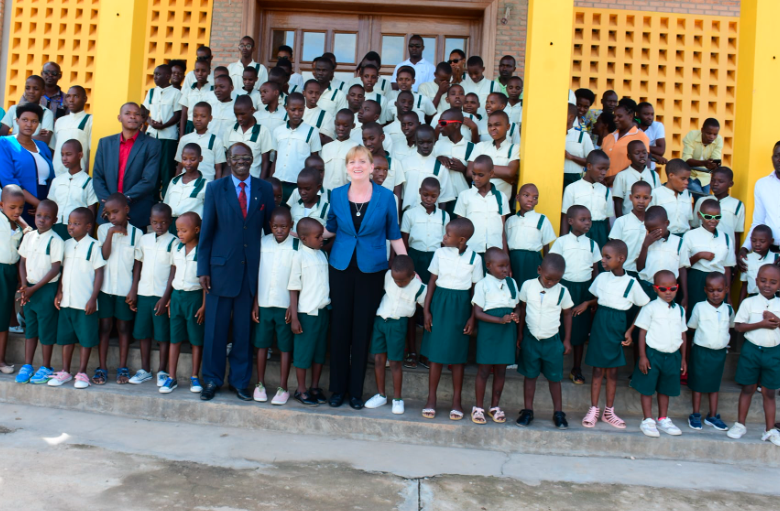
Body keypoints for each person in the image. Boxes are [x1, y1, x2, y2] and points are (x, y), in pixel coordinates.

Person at [324, 145, 407, 409]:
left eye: (362, 161)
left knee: (362, 330)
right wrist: (301, 236)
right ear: (347, 167)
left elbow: (393, 233)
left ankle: (356, 392)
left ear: (372, 167)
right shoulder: (336, 195)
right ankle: (337, 390)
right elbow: (330, 230)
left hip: (371, 270)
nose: (357, 166)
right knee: (339, 329)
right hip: (340, 266)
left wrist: (406, 263)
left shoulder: (386, 198)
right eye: (352, 162)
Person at [198, 142, 276, 401]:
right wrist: (203, 268)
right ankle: (211, 379)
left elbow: (268, 231)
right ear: (228, 160)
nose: (242, 161)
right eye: (237, 157)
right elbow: (206, 231)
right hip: (219, 270)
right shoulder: (215, 188)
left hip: (250, 272)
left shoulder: (264, 189)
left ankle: (240, 382)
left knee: (243, 331)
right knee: (215, 330)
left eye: (247, 157)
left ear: (253, 159)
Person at [579, 239, 650, 429]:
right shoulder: (602, 278)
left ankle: (609, 411)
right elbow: (599, 299)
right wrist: (587, 303)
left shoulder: (632, 283)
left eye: (607, 257)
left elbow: (644, 306)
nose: (603, 260)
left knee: (612, 372)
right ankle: (593, 408)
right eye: (603, 256)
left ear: (621, 259)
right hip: (600, 324)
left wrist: (630, 330)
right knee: (597, 370)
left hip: (618, 326)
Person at [421, 218, 481, 420]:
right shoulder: (439, 253)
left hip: (461, 306)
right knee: (435, 355)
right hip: (440, 304)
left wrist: (473, 318)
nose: (444, 237)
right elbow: (432, 282)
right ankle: (431, 399)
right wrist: (426, 311)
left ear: (461, 239)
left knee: (458, 357)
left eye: (448, 235)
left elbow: (476, 290)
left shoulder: (475, 258)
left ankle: (457, 401)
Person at [48, 208, 105, 388]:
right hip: (67, 301)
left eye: (76, 224)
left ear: (88, 226)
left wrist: (93, 298)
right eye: (70, 223)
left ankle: (81, 373)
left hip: (84, 302)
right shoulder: (66, 244)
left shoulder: (94, 246)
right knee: (66, 338)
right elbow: (63, 271)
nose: (71, 227)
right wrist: (59, 292)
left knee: (86, 339)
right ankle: (65, 371)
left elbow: (99, 273)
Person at [516, 253, 574, 429]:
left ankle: (558, 412)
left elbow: (567, 313)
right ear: (539, 270)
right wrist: (520, 335)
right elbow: (523, 309)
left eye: (556, 280)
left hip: (552, 342)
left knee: (555, 379)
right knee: (530, 377)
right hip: (531, 339)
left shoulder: (562, 291)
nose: (551, 283)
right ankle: (527, 411)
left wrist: (567, 339)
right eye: (548, 278)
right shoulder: (528, 286)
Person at [364, 256, 426, 414]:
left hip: (398, 325)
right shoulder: (388, 276)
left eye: (402, 281)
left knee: (395, 362)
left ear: (412, 276)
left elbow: (425, 305)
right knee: (378, 359)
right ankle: (381, 394)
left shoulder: (419, 288)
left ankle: (397, 399)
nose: (398, 283)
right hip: (380, 321)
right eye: (395, 280)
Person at [630, 270, 688, 438]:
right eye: (663, 289)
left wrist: (683, 358)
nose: (668, 292)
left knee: (665, 389)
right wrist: (643, 356)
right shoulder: (650, 308)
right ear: (655, 289)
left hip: (672, 356)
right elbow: (642, 332)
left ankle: (663, 418)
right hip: (653, 354)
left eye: (672, 288)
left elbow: (683, 333)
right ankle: (647, 419)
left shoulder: (680, 311)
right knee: (647, 388)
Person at [728, 264, 780, 446]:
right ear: (756, 281)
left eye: (773, 282)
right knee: (747, 389)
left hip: (774, 352)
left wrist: (777, 321)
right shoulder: (748, 303)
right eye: (763, 280)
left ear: (779, 285)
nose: (767, 285)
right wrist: (762, 324)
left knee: (770, 392)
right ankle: (740, 424)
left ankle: (770, 430)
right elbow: (739, 327)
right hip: (751, 350)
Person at [93, 194, 142, 385]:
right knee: (104, 328)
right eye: (108, 213)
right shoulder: (103, 230)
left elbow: (137, 265)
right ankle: (102, 367)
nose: (112, 216)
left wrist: (134, 289)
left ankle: (123, 367)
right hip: (105, 289)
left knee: (123, 328)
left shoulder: (137, 234)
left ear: (126, 210)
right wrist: (112, 234)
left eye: (116, 212)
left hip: (125, 289)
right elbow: (104, 256)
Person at [127, 203, 177, 386]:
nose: (159, 225)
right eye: (155, 222)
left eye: (163, 222)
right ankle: (145, 369)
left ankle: (162, 371)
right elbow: (138, 264)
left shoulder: (174, 242)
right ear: (150, 221)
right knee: (143, 333)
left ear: (170, 222)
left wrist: (166, 297)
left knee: (163, 335)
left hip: (161, 295)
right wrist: (134, 289)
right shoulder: (144, 239)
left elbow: (174, 270)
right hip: (144, 292)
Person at [550, 205, 601, 385]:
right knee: (558, 327)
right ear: (570, 221)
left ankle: (576, 368)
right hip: (564, 288)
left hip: (584, 290)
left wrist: (593, 294)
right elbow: (554, 265)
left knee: (579, 330)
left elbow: (595, 270)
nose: (587, 223)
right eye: (583, 219)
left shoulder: (592, 244)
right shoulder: (561, 242)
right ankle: (554, 367)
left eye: (589, 219)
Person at [14, 200, 63, 384]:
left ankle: (46, 366)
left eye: (47, 217)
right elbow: (22, 262)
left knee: (46, 329)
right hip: (30, 288)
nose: (42, 220)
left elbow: (54, 270)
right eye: (39, 215)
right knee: (30, 328)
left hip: (45, 290)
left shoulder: (56, 241)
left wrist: (33, 289)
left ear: (55, 219)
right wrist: (25, 285)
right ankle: (27, 365)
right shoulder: (29, 236)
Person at [92, 102, 161, 231]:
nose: (133, 117)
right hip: (107, 213)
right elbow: (97, 177)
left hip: (136, 211)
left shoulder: (152, 145)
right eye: (128, 113)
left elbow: (149, 180)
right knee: (106, 250)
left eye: (137, 114)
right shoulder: (105, 143)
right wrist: (110, 206)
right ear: (119, 118)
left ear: (142, 119)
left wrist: (122, 202)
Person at [471, 248, 520, 425]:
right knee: (484, 370)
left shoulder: (512, 283)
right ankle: (478, 407)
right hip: (489, 330)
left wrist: (516, 315)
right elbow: (477, 313)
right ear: (489, 266)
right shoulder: (483, 284)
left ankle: (494, 406)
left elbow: (517, 306)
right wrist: (500, 319)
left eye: (507, 266)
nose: (505, 269)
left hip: (507, 331)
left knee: (501, 370)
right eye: (501, 266)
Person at [252, 207, 296, 405]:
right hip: (263, 303)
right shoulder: (262, 243)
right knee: (261, 345)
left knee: (285, 347)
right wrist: (255, 302)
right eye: (276, 226)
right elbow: (255, 274)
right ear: (270, 226)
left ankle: (283, 387)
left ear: (291, 226)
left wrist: (293, 307)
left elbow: (298, 278)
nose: (279, 230)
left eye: (284, 226)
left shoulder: (297, 246)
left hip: (285, 305)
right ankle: (260, 383)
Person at [159, 213, 205, 394]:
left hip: (195, 299)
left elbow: (206, 283)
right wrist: (168, 297)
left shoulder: (202, 251)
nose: (180, 234)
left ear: (196, 230)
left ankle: (194, 376)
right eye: (178, 230)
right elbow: (174, 274)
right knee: (175, 339)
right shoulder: (176, 248)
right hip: (177, 297)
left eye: (184, 230)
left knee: (196, 340)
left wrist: (204, 305)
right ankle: (172, 377)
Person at [288, 218, 330, 406]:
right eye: (318, 236)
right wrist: (295, 317)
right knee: (303, 354)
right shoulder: (299, 257)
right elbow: (293, 287)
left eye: (322, 235)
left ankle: (314, 386)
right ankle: (301, 389)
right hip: (306, 314)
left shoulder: (322, 255)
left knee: (319, 353)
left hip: (323, 312)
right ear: (304, 238)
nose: (322, 239)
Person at [687, 271, 734, 432]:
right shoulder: (699, 307)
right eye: (711, 290)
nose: (715, 294)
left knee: (714, 385)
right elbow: (691, 328)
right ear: (705, 290)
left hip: (719, 353)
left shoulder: (728, 310)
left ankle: (712, 416)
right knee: (698, 385)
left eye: (719, 290)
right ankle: (695, 414)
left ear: (726, 289)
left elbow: (732, 327)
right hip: (701, 351)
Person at [0, 103, 55, 225]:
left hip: (43, 205)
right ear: (17, 121)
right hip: (18, 205)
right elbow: (8, 179)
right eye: (25, 120)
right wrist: (38, 203)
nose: (29, 124)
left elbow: (52, 179)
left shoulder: (43, 147)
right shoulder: (4, 143)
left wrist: (45, 204)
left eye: (34, 121)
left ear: (38, 124)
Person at [680, 199, 736, 318]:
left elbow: (727, 268)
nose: (713, 220)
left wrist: (729, 295)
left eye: (717, 216)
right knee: (694, 317)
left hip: (719, 282)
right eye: (708, 216)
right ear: (700, 215)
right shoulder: (690, 236)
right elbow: (683, 265)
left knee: (716, 317)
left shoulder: (725, 238)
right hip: (697, 279)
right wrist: (699, 256)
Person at [453, 155, 509, 271]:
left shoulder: (501, 197)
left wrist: (506, 260)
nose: (476, 178)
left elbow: (502, 230)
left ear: (491, 173)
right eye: (474, 174)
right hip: (471, 252)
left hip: (495, 256)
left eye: (481, 175)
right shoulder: (464, 196)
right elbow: (459, 231)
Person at [142, 64, 182, 197]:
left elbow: (177, 115)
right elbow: (144, 112)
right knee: (151, 169)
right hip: (152, 136)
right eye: (154, 74)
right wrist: (150, 122)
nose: (155, 77)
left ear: (167, 76)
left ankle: (165, 200)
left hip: (168, 137)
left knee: (166, 170)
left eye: (158, 74)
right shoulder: (151, 92)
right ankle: (151, 200)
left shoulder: (176, 93)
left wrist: (163, 125)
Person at [739, 142, 780, 271]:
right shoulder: (762, 185)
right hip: (768, 254)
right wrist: (745, 248)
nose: (779, 159)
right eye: (776, 155)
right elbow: (758, 221)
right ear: (772, 158)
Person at [506, 183, 556, 285]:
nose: (530, 199)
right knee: (514, 286)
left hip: (533, 261)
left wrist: (545, 268)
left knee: (531, 288)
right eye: (526, 195)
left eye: (535, 197)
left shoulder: (542, 219)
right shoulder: (510, 221)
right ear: (517, 197)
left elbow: (546, 248)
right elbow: (505, 244)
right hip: (513, 260)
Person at [47, 140, 97, 241]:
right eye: (62, 155)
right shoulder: (57, 181)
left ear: (80, 155)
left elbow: (91, 212)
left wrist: (88, 238)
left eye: (68, 154)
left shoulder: (88, 182)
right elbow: (50, 207)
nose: (64, 158)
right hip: (55, 227)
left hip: (77, 230)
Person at [636, 206, 689, 302]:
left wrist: (685, 295)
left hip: (668, 292)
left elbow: (682, 269)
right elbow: (639, 267)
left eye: (656, 229)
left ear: (667, 223)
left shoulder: (679, 243)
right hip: (648, 287)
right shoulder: (644, 240)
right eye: (649, 230)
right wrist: (645, 246)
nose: (652, 233)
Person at [561, 150, 611, 252]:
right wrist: (564, 241)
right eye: (600, 168)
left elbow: (607, 220)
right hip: (578, 232)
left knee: (598, 265)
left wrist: (609, 241)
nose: (604, 173)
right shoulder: (572, 188)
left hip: (600, 234)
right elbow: (565, 218)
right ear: (589, 166)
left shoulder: (605, 191)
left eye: (606, 169)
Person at [399, 125, 455, 212]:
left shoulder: (440, 166)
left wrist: (440, 220)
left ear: (434, 141)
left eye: (429, 142)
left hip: (431, 216)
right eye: (421, 142)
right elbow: (400, 194)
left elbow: (444, 198)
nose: (425, 146)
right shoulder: (404, 163)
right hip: (408, 214)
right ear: (416, 141)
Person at [0, 186, 25, 374]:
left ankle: (1, 360)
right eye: (12, 207)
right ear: (1, 205)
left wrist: (23, 224)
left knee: (3, 317)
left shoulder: (18, 227)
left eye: (20, 208)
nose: (16, 212)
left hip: (8, 273)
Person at [467, 111, 519, 200]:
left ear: (507, 127)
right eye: (490, 125)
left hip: (501, 203)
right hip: (477, 200)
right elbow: (469, 172)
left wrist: (482, 171)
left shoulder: (514, 148)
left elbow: (510, 172)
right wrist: (506, 177)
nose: (493, 128)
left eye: (497, 124)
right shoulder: (480, 146)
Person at [691, 167, 744, 249]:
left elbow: (737, 233)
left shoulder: (737, 205)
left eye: (721, 181)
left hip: (726, 249)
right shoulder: (701, 201)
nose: (715, 183)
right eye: (713, 180)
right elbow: (694, 226)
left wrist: (735, 254)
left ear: (730, 184)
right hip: (702, 247)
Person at [610, 181, 653, 281]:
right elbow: (614, 248)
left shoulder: (652, 223)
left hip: (645, 273)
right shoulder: (621, 221)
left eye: (645, 198)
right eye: (637, 197)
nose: (641, 201)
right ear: (630, 197)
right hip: (624, 270)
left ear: (650, 199)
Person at [223, 95, 274, 180]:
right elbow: (227, 160)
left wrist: (261, 183)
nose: (239, 118)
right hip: (233, 181)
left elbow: (265, 162)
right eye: (236, 114)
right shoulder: (230, 130)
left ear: (252, 110)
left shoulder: (263, 131)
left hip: (253, 180)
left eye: (243, 114)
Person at [601, 100, 650, 186]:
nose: (615, 119)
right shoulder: (608, 137)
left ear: (630, 116)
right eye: (615, 116)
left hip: (628, 187)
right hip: (605, 186)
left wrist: (616, 177)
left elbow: (642, 162)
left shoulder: (641, 136)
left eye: (619, 116)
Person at [175, 102, 226, 181]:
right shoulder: (185, 139)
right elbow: (180, 166)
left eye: (203, 116)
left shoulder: (216, 141)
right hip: (186, 184)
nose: (198, 119)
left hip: (207, 184)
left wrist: (216, 188)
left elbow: (218, 169)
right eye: (195, 116)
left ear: (210, 118)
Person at [1, 75, 55, 145]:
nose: (31, 91)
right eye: (27, 88)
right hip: (13, 151)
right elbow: (2, 135)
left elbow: (44, 140)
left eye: (36, 89)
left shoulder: (46, 113)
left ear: (43, 92)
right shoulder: (14, 109)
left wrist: (14, 136)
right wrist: (35, 136)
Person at [164, 143, 207, 230]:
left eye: (193, 159)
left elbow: (208, 212)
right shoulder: (174, 181)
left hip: (191, 227)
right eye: (184, 159)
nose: (188, 163)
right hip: (172, 225)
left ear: (200, 158)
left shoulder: (206, 184)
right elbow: (166, 205)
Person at [612, 140, 660, 217]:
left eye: (644, 153)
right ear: (629, 156)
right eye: (637, 153)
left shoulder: (654, 175)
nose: (641, 156)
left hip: (650, 221)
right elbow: (618, 203)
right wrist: (621, 222)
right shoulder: (622, 176)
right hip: (628, 221)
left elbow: (658, 200)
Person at [52, 86, 92, 176]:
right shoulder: (59, 121)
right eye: (68, 96)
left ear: (85, 99)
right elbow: (54, 148)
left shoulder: (90, 120)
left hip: (78, 175)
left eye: (76, 96)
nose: (71, 100)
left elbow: (92, 151)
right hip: (57, 175)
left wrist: (85, 173)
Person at [649, 159, 693, 236]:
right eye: (683, 179)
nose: (686, 182)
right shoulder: (656, 194)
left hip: (685, 239)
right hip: (664, 239)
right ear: (671, 176)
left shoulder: (688, 194)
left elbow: (688, 221)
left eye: (687, 179)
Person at [682, 118, 723, 198]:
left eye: (715, 134)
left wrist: (714, 165)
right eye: (709, 133)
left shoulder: (719, 140)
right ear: (702, 130)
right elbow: (686, 159)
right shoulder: (692, 135)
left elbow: (715, 159)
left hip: (705, 178)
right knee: (702, 200)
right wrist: (704, 163)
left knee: (703, 202)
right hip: (690, 176)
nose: (712, 137)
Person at [739, 225, 777, 303]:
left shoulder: (776, 258)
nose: (757, 244)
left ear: (771, 241)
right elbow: (744, 285)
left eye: (762, 241)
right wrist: (740, 306)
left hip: (774, 299)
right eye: (754, 240)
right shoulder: (746, 259)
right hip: (753, 299)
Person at [322, 109, 358, 192]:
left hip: (345, 195)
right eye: (338, 125)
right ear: (334, 123)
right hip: (326, 195)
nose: (341, 128)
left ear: (353, 125)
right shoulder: (326, 148)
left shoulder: (357, 149)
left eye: (345, 125)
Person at [287, 167, 330, 233]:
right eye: (300, 188)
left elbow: (333, 232)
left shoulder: (326, 208)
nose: (302, 192)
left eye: (307, 189)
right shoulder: (294, 208)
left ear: (318, 187)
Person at [179, 59, 214, 137]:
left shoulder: (213, 91)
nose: (200, 73)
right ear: (194, 72)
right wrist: (181, 136)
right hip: (190, 125)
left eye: (203, 71)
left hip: (207, 126)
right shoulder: (188, 91)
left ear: (209, 71)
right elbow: (184, 115)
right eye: (197, 70)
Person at [564, 103, 594, 188]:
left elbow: (592, 161)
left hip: (574, 178)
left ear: (571, 117)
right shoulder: (553, 135)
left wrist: (571, 157)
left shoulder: (582, 136)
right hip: (553, 177)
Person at [205, 75, 237, 140]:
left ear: (231, 88)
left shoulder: (236, 109)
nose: (217, 90)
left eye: (222, 87)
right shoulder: (210, 107)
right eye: (215, 87)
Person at [637, 102, 667, 168]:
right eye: (646, 114)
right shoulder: (632, 127)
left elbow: (661, 150)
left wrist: (638, 147)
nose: (650, 117)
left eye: (652, 114)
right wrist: (654, 155)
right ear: (638, 114)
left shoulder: (658, 126)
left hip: (650, 168)